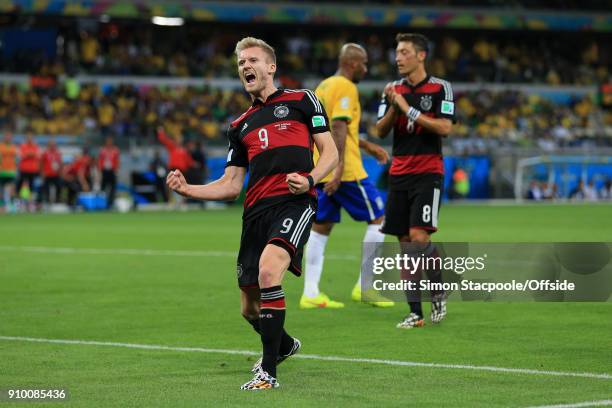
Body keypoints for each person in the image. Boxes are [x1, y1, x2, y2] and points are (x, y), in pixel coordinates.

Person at [166, 37, 337, 390]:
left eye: (253, 59)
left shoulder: (303, 100)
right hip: (254, 214)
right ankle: (285, 344)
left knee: (269, 270)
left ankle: (268, 374)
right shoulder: (239, 125)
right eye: (241, 61)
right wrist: (188, 189)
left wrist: (310, 180)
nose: (246, 65)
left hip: (294, 202)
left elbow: (331, 153)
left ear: (271, 67)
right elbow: (230, 185)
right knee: (248, 307)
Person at [301, 43, 392, 309]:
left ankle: (310, 293)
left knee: (321, 227)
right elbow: (339, 125)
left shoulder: (324, 86)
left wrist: (367, 145)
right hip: (347, 170)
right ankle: (366, 287)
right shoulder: (347, 87)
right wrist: (339, 167)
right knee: (379, 219)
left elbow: (328, 128)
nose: (366, 67)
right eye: (363, 63)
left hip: (321, 168)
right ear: (352, 63)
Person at [376, 33, 455, 329]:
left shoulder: (440, 88)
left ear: (421, 55)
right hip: (399, 174)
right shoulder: (392, 90)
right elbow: (381, 130)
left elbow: (444, 127)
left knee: (419, 238)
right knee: (405, 243)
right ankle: (415, 313)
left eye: (405, 52)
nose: (398, 57)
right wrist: (394, 106)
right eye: (397, 52)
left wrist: (408, 109)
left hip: (428, 172)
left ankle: (437, 292)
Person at [17, 130, 41, 206]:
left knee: (31, 186)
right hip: (24, 169)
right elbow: (21, 155)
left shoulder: (35, 146)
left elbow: (38, 155)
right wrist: (30, 154)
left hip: (33, 170)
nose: (30, 139)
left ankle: (30, 202)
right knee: (21, 185)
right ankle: (21, 201)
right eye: (28, 137)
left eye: (31, 137)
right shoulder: (23, 146)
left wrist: (28, 154)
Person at [98, 136, 120, 209]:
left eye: (110, 141)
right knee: (103, 187)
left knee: (113, 187)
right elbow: (100, 161)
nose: (109, 143)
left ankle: (110, 203)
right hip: (104, 171)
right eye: (108, 141)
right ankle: (101, 203)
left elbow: (117, 160)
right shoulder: (103, 150)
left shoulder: (115, 150)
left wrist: (116, 169)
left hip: (112, 170)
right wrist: (100, 170)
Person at [40, 137, 63, 204]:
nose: (52, 146)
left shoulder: (58, 153)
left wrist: (60, 172)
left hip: (56, 174)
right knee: (46, 189)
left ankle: (57, 202)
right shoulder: (45, 153)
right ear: (48, 145)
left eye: (53, 144)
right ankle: (47, 202)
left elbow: (60, 163)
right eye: (51, 144)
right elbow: (41, 164)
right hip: (47, 174)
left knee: (59, 187)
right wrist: (42, 173)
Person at [0, 132, 17, 209]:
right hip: (2, 171)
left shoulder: (13, 147)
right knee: (1, 189)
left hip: (11, 171)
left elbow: (16, 159)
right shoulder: (0, 146)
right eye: (6, 136)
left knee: (12, 188)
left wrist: (15, 168)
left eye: (9, 136)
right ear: (4, 137)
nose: (8, 138)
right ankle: (1, 205)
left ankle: (12, 205)